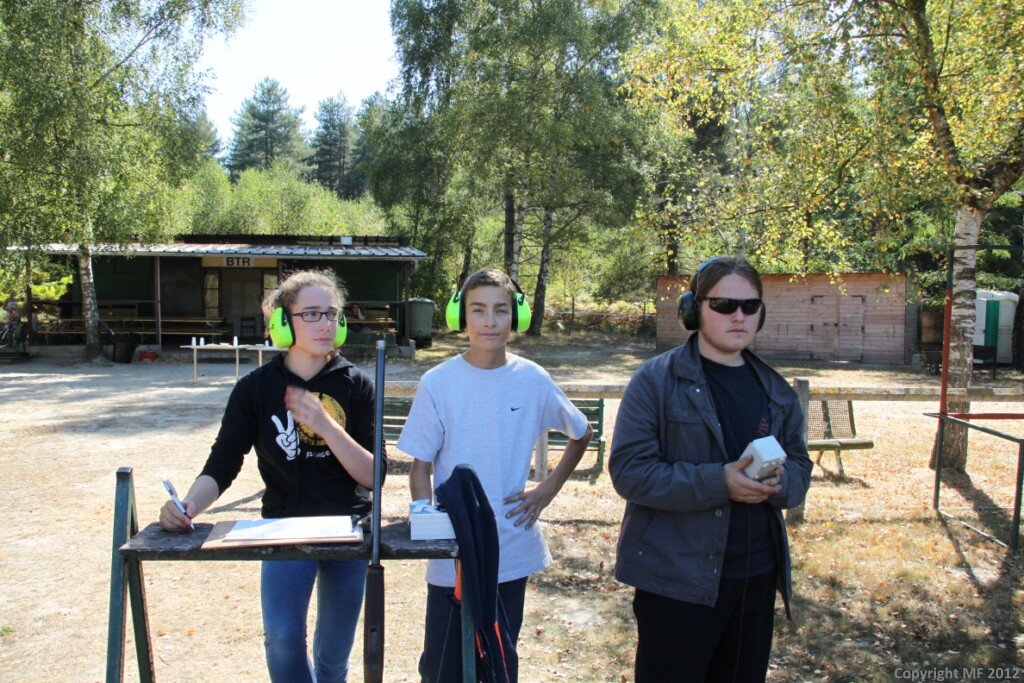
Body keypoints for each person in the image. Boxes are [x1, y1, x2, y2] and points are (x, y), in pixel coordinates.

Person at [158, 269, 384, 683]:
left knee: (334, 655)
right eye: (310, 314)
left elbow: (374, 476)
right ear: (282, 322)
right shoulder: (255, 388)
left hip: (349, 529)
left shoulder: (358, 385)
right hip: (283, 527)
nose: (324, 324)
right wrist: (187, 506)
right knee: (282, 640)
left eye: (331, 314)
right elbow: (223, 462)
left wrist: (325, 425)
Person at [609, 257, 812, 683]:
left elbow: (800, 468)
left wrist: (779, 483)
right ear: (693, 309)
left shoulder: (777, 391)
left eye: (750, 306)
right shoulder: (656, 381)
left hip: (756, 577)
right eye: (723, 305)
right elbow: (630, 471)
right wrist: (719, 482)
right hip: (676, 580)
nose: (738, 316)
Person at [397, 266, 593, 682]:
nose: (489, 321)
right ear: (460, 316)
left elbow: (581, 432)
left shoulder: (532, 379)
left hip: (510, 545)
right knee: (442, 668)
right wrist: (426, 518)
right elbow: (421, 467)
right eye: (478, 310)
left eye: (500, 310)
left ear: (515, 316)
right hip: (453, 549)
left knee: (498, 664)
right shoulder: (438, 382)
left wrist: (547, 489)